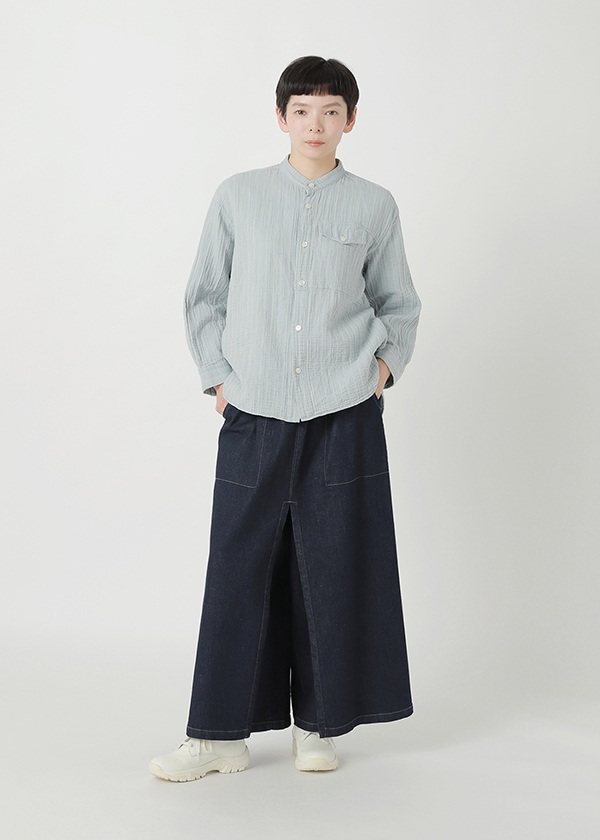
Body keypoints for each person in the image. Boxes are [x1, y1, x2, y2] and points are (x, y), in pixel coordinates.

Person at [149, 55, 421, 781]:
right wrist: (219, 379)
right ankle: (217, 736)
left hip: (344, 409)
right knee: (239, 568)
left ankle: (319, 725)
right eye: (301, 110)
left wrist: (381, 370)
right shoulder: (238, 196)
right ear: (281, 117)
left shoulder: (374, 206)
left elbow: (398, 303)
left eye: (330, 111)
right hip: (255, 408)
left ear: (350, 120)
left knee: (333, 565)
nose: (315, 124)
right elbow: (204, 296)